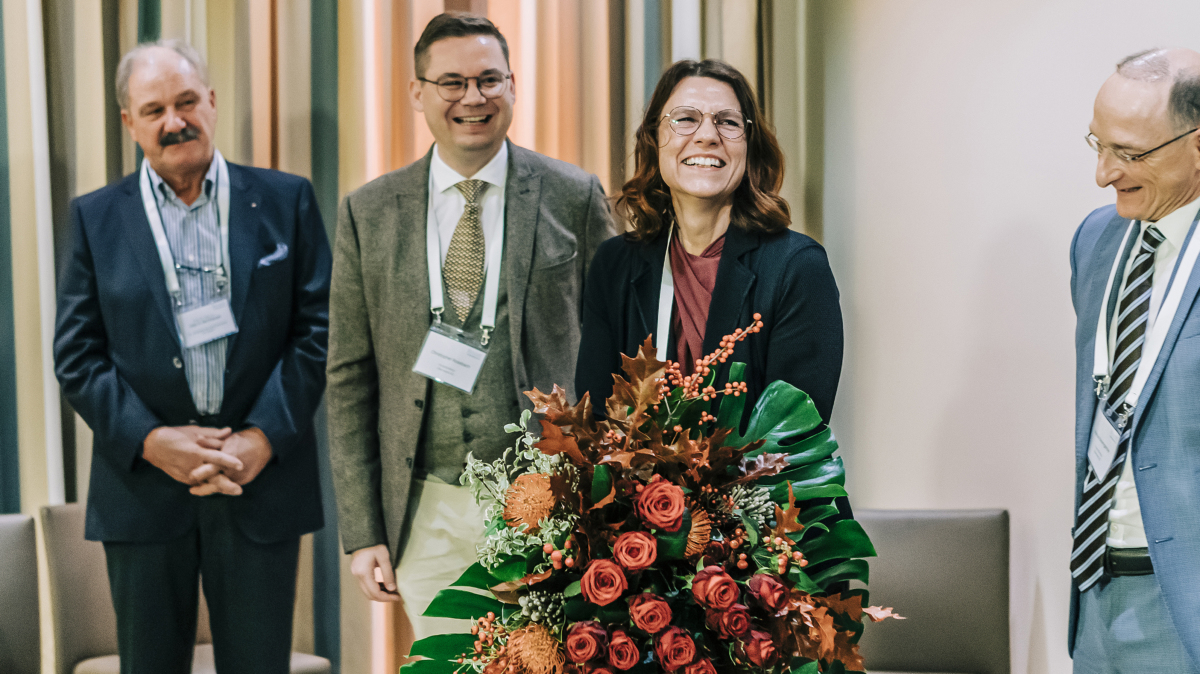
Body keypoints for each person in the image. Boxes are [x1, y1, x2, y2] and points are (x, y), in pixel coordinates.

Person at [326, 12, 616, 638]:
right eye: (451, 82)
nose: (472, 98)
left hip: (546, 507)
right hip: (423, 508)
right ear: (418, 93)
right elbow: (348, 379)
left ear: (513, 85)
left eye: (488, 80)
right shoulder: (367, 212)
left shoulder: (574, 195)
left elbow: (614, 351)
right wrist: (362, 531)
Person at [53, 40, 330, 673]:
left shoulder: (287, 201)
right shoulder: (95, 218)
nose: (174, 121)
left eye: (185, 101)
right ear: (129, 123)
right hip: (143, 491)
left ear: (211, 100)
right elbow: (77, 355)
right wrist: (153, 441)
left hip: (257, 482)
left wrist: (261, 437)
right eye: (154, 110)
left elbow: (318, 333)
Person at [574, 59, 843, 426]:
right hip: (633, 487)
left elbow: (793, 440)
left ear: (749, 147)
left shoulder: (797, 268)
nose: (707, 135)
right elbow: (596, 423)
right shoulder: (614, 265)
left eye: (728, 122)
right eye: (685, 118)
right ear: (654, 140)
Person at [1068, 47, 1200, 672]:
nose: (1103, 173)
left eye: (1130, 154)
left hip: (1187, 602)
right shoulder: (1095, 240)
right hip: (1096, 585)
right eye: (1099, 144)